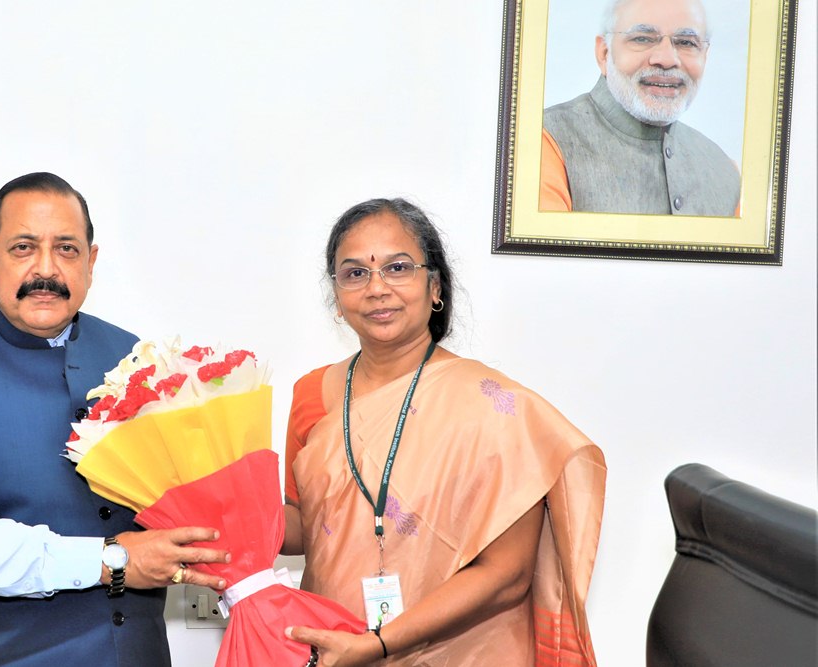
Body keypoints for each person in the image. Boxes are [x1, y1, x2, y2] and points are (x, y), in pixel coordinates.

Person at [0, 172, 228, 666]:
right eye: (23, 247)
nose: (45, 269)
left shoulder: (141, 361)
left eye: (67, 249)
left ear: (91, 261)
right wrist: (115, 560)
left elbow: (186, 506)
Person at [281, 198, 606, 666]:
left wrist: (379, 644)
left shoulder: (496, 408)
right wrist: (226, 521)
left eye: (397, 268)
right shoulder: (311, 393)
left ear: (434, 287)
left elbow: (507, 574)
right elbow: (307, 526)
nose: (376, 289)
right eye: (354, 274)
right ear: (336, 297)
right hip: (333, 643)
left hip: (463, 651)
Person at [540, 0, 740, 216]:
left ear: (705, 57)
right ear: (604, 53)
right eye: (642, 39)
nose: (666, 59)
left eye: (686, 42)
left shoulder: (725, 172)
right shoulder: (545, 142)